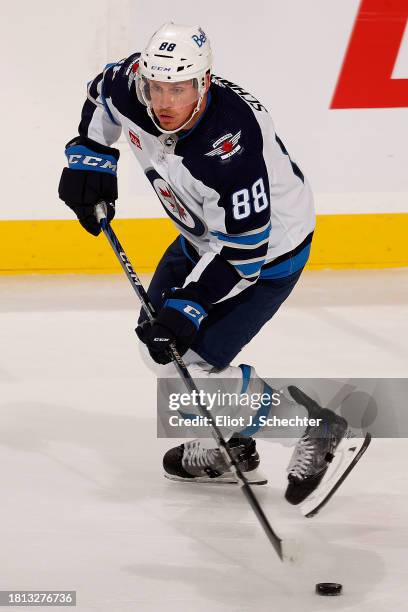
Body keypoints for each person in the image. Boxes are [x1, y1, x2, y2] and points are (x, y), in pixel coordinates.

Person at [58, 22, 348, 505]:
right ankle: (232, 444)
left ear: (204, 82)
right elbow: (100, 97)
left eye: (179, 89)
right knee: (162, 351)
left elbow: (244, 253)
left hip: (267, 252)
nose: (165, 102)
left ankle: (311, 427)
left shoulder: (230, 145)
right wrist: (90, 158)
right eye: (156, 88)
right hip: (199, 238)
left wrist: (190, 305)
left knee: (182, 364)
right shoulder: (130, 87)